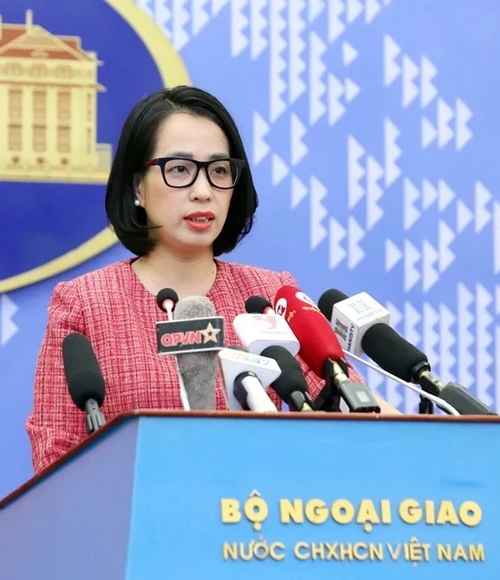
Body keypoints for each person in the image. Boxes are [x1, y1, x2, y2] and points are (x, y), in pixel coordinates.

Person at [25, 86, 400, 474]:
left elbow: (361, 413)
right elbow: (56, 458)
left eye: (219, 171)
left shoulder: (270, 296)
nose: (203, 191)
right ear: (138, 185)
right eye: (180, 170)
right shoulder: (84, 303)